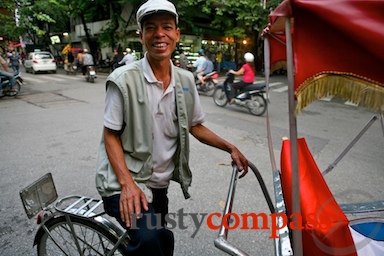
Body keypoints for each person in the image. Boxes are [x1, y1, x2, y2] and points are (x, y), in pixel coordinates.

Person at [95, 0, 248, 255]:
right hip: (126, 184)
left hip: (158, 186)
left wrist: (230, 147)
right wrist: (127, 184)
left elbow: (195, 126)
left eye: (167, 27)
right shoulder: (122, 80)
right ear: (142, 36)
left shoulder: (186, 79)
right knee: (151, 240)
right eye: (151, 28)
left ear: (177, 34)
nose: (159, 34)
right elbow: (110, 134)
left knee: (163, 239)